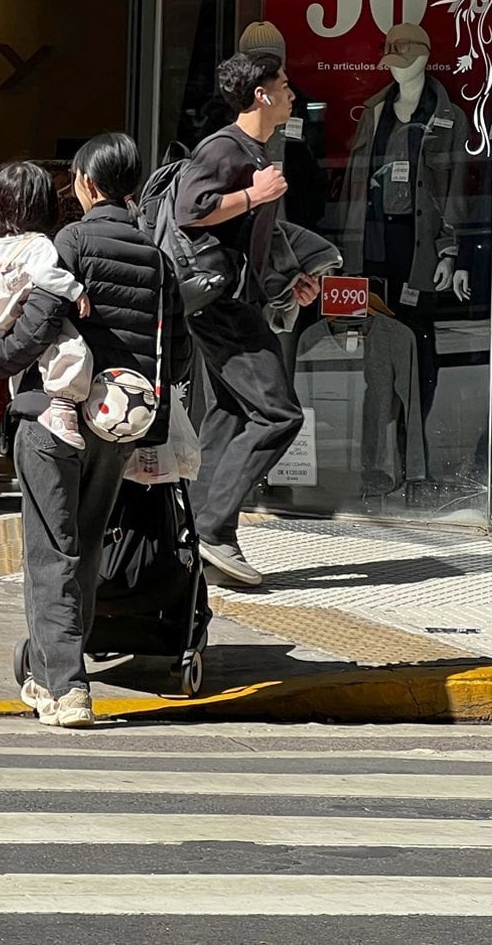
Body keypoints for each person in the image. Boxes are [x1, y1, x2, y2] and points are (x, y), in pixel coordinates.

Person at [0, 135, 190, 727]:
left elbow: (38, 322)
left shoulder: (70, 241)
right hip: (117, 423)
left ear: (85, 182)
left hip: (55, 414)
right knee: (85, 544)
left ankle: (67, 686)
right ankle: (42, 666)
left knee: (50, 548)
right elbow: (176, 356)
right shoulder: (156, 256)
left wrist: (1, 358)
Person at [174, 49, 317, 588]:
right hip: (222, 306)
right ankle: (213, 531)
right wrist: (252, 195)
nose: (291, 94)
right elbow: (191, 210)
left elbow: (256, 238)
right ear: (261, 94)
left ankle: (189, 531)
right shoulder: (224, 148)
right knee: (279, 415)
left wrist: (286, 280)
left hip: (238, 299)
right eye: (283, 85)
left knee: (232, 414)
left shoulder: (255, 149)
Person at [0, 163, 95, 449]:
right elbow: (44, 276)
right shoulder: (39, 244)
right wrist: (76, 290)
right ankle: (63, 407)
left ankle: (23, 403)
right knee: (72, 348)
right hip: (21, 311)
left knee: (21, 367)